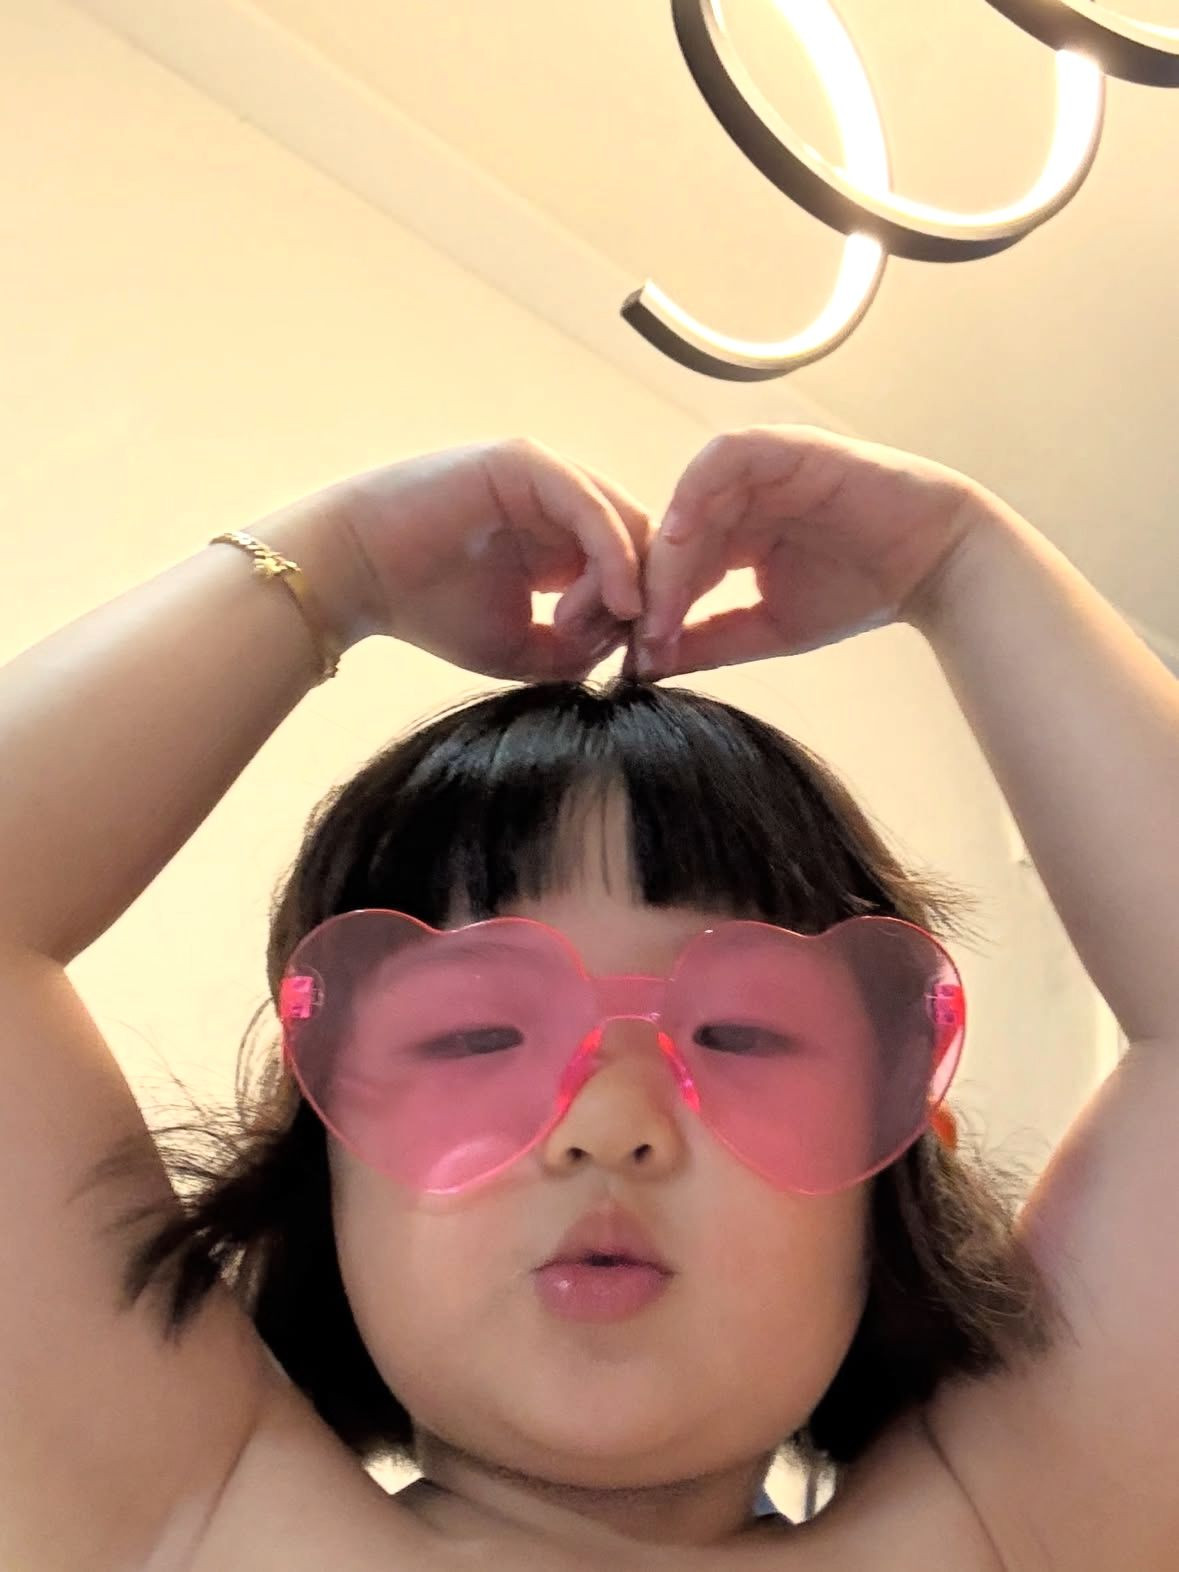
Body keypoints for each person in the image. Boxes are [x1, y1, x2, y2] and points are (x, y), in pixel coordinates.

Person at [1, 425, 1176, 1571]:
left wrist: (963, 561)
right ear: (327, 1165)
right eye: (475, 1036)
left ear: (892, 1168)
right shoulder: (193, 1517)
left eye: (741, 1034)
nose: (610, 1124)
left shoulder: (1006, 1532)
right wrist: (335, 568)